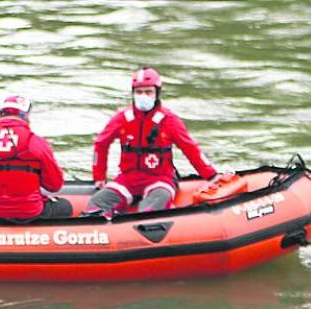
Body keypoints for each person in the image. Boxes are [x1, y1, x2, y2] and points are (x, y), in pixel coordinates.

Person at [85, 66, 219, 217]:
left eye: (148, 92)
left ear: (157, 93)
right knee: (97, 204)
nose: (143, 96)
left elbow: (191, 149)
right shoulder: (123, 118)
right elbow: (101, 143)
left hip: (160, 179)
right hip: (128, 179)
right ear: (133, 94)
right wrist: (99, 177)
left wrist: (211, 175)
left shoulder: (169, 120)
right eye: (139, 92)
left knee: (153, 206)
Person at [0, 95, 70, 219]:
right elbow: (54, 185)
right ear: (26, 115)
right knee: (65, 207)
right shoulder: (36, 142)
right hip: (29, 212)